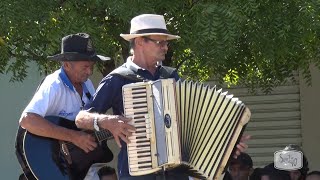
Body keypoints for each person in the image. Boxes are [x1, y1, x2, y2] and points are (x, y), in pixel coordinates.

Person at [75, 14, 250, 180]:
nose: (165, 47)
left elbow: (193, 122)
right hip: (138, 175)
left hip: (176, 174)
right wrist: (105, 120)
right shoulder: (118, 78)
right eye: (160, 42)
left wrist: (228, 141)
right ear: (139, 42)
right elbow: (81, 118)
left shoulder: (171, 77)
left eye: (166, 43)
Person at [16, 33, 127, 179]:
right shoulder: (54, 84)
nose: (90, 72)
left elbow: (88, 125)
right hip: (53, 164)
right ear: (66, 64)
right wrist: (73, 136)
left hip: (84, 169)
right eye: (85, 67)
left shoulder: (87, 83)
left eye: (92, 66)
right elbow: (27, 120)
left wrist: (112, 126)